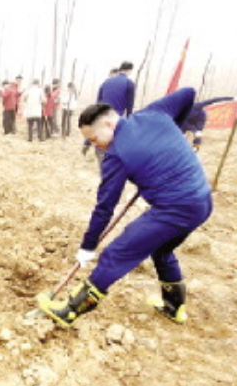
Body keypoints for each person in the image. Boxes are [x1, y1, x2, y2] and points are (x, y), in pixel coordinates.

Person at [36, 88, 213, 328]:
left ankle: (68, 311)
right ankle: (175, 307)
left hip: (176, 208)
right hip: (202, 202)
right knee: (161, 251)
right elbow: (188, 94)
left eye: (95, 139)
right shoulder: (156, 113)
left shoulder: (117, 155)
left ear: (109, 124)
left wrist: (88, 246)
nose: (96, 146)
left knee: (115, 254)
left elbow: (104, 207)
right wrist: (176, 126)